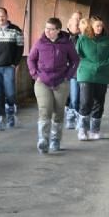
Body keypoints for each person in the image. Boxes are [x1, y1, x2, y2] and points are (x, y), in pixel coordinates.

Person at [27, 18, 79, 153]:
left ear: (58, 30)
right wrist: (35, 75)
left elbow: (75, 60)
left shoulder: (66, 44)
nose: (47, 31)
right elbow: (31, 59)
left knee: (58, 111)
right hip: (42, 82)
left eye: (51, 29)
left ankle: (55, 139)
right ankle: (43, 140)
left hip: (61, 81)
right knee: (45, 110)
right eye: (46, 28)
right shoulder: (40, 43)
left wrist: (68, 76)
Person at [76, 16, 109, 140]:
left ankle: (95, 130)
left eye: (101, 26)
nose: (99, 28)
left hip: (102, 75)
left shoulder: (108, 41)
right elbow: (78, 56)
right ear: (91, 27)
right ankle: (82, 129)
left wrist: (103, 65)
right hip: (86, 74)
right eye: (97, 26)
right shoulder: (83, 39)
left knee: (99, 102)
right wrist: (92, 66)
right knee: (86, 101)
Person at [0, 8, 24, 129]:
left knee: (10, 94)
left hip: (9, 67)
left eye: (2, 16)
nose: (0, 19)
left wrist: (15, 63)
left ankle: (10, 116)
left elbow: (20, 48)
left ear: (7, 15)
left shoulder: (16, 30)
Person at [65, 17, 81, 129]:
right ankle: (72, 118)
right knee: (74, 98)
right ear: (69, 26)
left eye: (79, 24)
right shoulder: (65, 39)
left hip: (83, 72)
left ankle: (77, 118)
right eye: (76, 25)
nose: (78, 27)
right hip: (72, 73)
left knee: (80, 98)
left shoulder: (84, 38)